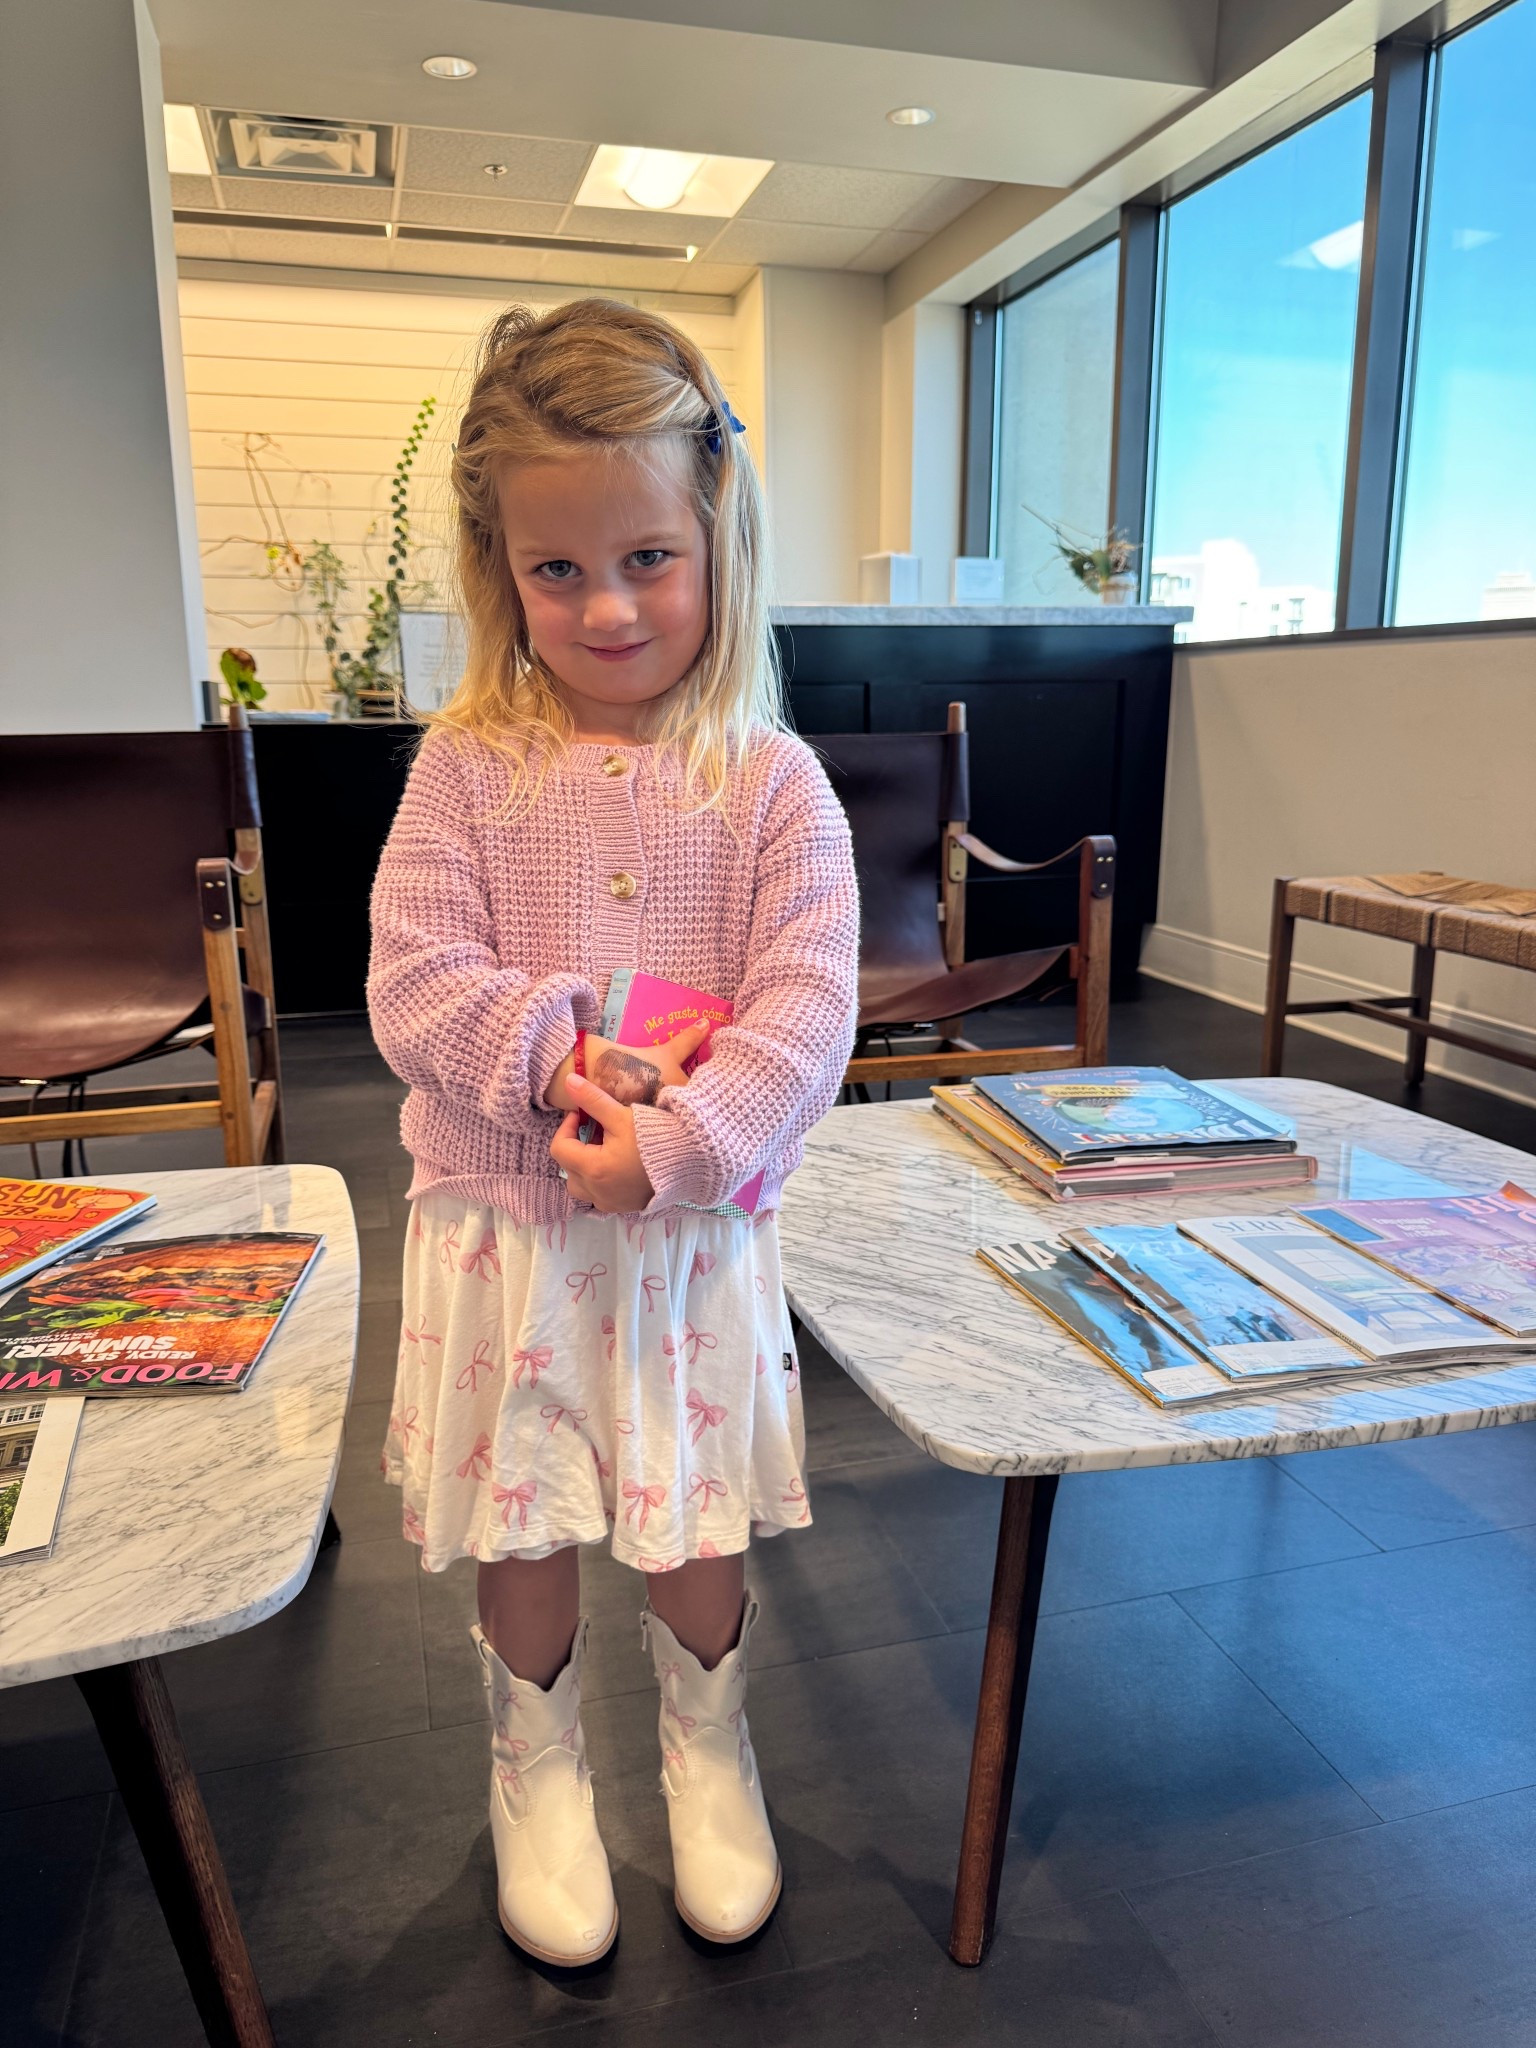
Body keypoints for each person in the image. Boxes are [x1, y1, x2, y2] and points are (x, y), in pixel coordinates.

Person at [368, 299, 859, 1968]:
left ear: (717, 533)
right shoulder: (464, 766)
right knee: (528, 1514)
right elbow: (413, 980)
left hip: (689, 1234)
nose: (609, 606)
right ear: (500, 564)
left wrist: (686, 1139)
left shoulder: (777, 782)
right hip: (508, 1228)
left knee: (692, 1507)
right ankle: (538, 1770)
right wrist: (560, 1055)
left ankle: (711, 1752)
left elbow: (807, 1013)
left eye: (649, 556)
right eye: (558, 570)